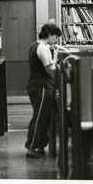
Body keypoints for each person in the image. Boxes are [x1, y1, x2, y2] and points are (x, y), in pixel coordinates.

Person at [25, 23, 62, 158]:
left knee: (44, 118)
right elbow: (49, 70)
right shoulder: (43, 47)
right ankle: (31, 148)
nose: (56, 40)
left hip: (38, 86)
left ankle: (39, 146)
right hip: (41, 86)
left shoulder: (34, 45)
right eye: (56, 37)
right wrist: (58, 65)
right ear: (50, 35)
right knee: (40, 118)